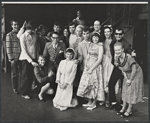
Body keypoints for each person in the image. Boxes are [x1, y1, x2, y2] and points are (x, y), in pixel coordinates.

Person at [114, 42, 143, 118]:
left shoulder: (129, 57)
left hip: (136, 73)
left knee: (131, 91)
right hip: (127, 73)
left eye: (119, 50)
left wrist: (130, 80)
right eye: (116, 50)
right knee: (125, 90)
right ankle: (123, 108)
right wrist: (126, 78)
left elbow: (134, 70)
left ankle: (129, 110)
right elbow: (122, 69)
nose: (117, 52)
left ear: (123, 49)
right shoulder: (117, 58)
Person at [77, 33, 104, 110]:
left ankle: (94, 103)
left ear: (99, 38)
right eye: (93, 37)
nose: (95, 39)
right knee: (88, 84)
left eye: (96, 37)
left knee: (94, 85)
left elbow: (99, 59)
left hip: (95, 67)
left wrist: (92, 68)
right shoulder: (91, 45)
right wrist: (86, 66)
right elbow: (88, 56)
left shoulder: (100, 46)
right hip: (88, 66)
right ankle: (89, 101)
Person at [108, 28, 132, 110]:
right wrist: (113, 63)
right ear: (114, 34)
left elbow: (129, 58)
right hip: (116, 67)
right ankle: (113, 102)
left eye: (120, 34)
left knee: (123, 86)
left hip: (124, 69)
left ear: (122, 35)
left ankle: (122, 104)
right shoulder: (112, 43)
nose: (118, 35)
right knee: (111, 84)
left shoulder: (127, 44)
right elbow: (112, 56)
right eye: (116, 34)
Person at [19, 21, 39, 99]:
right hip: (25, 59)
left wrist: (36, 58)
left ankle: (29, 91)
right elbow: (24, 50)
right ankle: (24, 93)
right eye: (29, 29)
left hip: (33, 58)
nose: (31, 31)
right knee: (25, 76)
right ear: (26, 28)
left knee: (31, 75)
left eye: (32, 29)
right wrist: (31, 61)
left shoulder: (34, 36)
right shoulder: (23, 36)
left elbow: (36, 47)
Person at [6, 19, 22, 94]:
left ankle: (21, 87)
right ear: (12, 25)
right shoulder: (9, 35)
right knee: (15, 74)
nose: (16, 26)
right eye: (14, 24)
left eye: (17, 24)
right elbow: (8, 48)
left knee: (21, 73)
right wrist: (11, 58)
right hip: (14, 58)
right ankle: (15, 88)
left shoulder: (20, 34)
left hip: (21, 57)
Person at [102, 25, 114, 108]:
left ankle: (110, 99)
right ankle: (105, 98)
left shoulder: (113, 40)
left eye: (108, 31)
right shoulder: (102, 41)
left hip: (112, 61)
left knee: (110, 79)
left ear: (111, 32)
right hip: (104, 61)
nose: (107, 33)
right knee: (104, 79)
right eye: (105, 32)